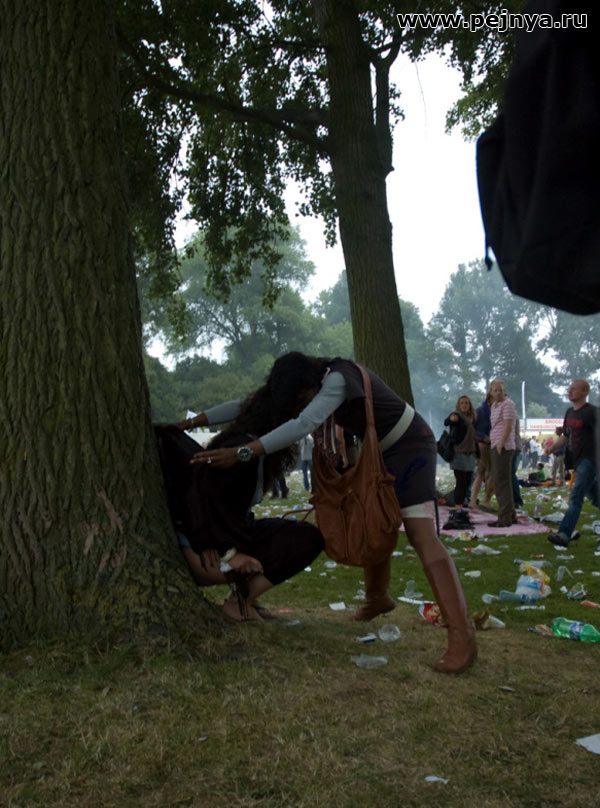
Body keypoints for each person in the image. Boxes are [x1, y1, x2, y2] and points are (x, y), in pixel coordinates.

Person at [188, 353, 477, 675]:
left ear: (311, 386)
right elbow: (248, 406)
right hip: (376, 452)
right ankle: (376, 598)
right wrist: (191, 423)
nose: (300, 405)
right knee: (372, 522)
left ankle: (461, 633)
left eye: (302, 400)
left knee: (420, 534)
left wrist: (242, 452)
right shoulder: (310, 381)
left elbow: (304, 423)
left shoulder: (337, 378)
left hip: (409, 448)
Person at [155, 387, 324, 621]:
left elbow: (238, 408)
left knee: (302, 534)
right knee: (303, 540)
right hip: (204, 547)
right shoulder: (244, 450)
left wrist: (190, 423)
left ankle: (245, 596)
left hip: (218, 536)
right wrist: (228, 553)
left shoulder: (250, 446)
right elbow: (203, 495)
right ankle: (240, 602)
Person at [546, 379, 599, 548]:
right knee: (595, 496)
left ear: (584, 392)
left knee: (576, 496)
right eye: (569, 389)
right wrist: (553, 447)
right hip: (576, 460)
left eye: (574, 389)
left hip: (590, 459)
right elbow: (566, 436)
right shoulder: (569, 412)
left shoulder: (592, 412)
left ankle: (564, 534)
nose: (570, 391)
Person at [442, 396, 478, 530]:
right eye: (462, 403)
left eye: (467, 403)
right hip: (458, 454)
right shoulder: (457, 416)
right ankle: (458, 509)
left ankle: (461, 508)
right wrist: (451, 419)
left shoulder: (471, 419)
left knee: (467, 482)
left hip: (470, 454)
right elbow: (447, 422)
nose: (464, 405)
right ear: (458, 405)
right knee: (461, 482)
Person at [488, 379, 517, 528]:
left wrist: (501, 444)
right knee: (501, 481)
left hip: (503, 446)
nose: (498, 393)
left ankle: (504, 517)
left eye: (501, 390)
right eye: (495, 390)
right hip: (495, 443)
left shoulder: (508, 404)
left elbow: (508, 425)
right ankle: (510, 514)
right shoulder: (494, 405)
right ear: (491, 392)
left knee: (501, 482)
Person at [469, 388, 494, 509]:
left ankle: (480, 499)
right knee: (484, 473)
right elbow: (472, 429)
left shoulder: (498, 411)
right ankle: (480, 500)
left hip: (493, 445)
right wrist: (483, 437)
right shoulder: (479, 412)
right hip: (483, 445)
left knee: (487, 473)